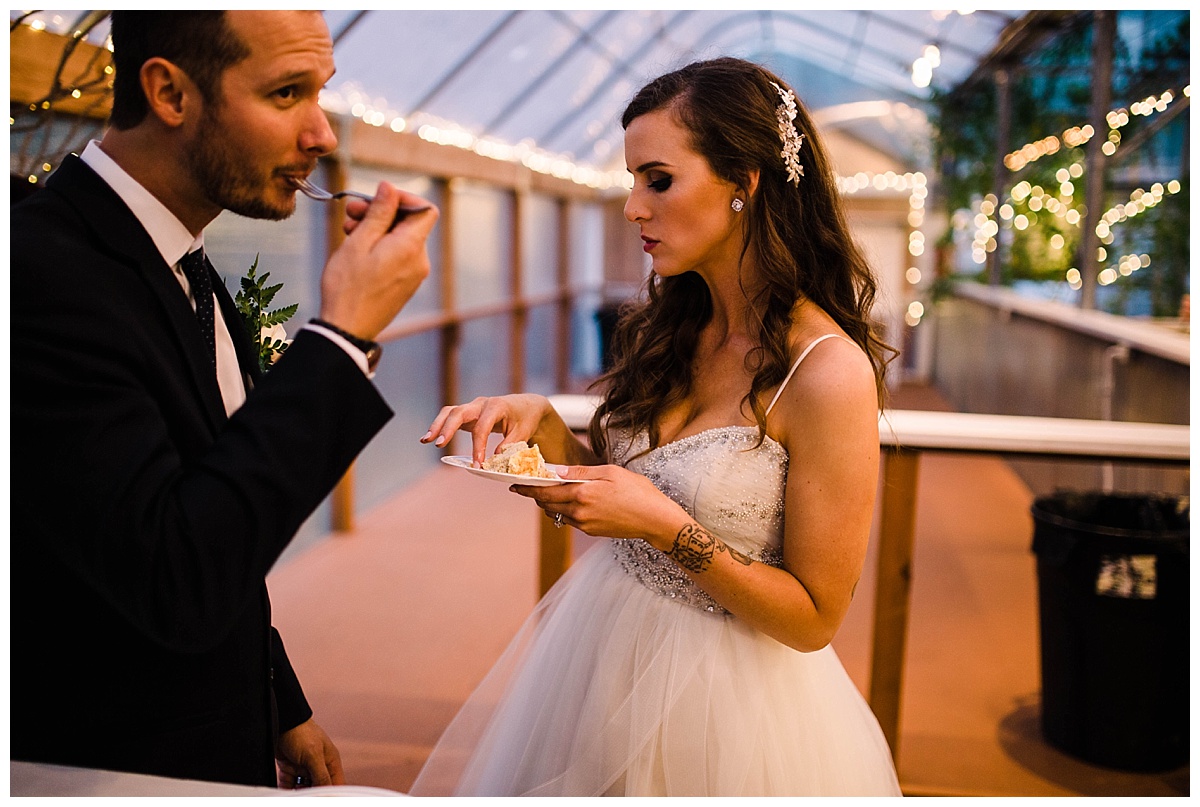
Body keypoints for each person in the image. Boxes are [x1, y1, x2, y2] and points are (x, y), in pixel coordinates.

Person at [412, 57, 902, 797]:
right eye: (632, 180)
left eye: (658, 179)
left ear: (745, 182)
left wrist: (668, 529)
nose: (632, 207)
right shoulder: (677, 327)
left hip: (728, 703)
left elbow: (814, 618)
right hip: (605, 652)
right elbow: (628, 496)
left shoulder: (826, 372)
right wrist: (545, 429)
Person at [10, 11, 437, 790]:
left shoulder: (181, 260)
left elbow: (210, 499)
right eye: (285, 94)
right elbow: (174, 572)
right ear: (170, 92)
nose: (323, 136)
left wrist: (277, 701)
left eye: (321, 94)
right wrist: (342, 337)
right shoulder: (40, 275)